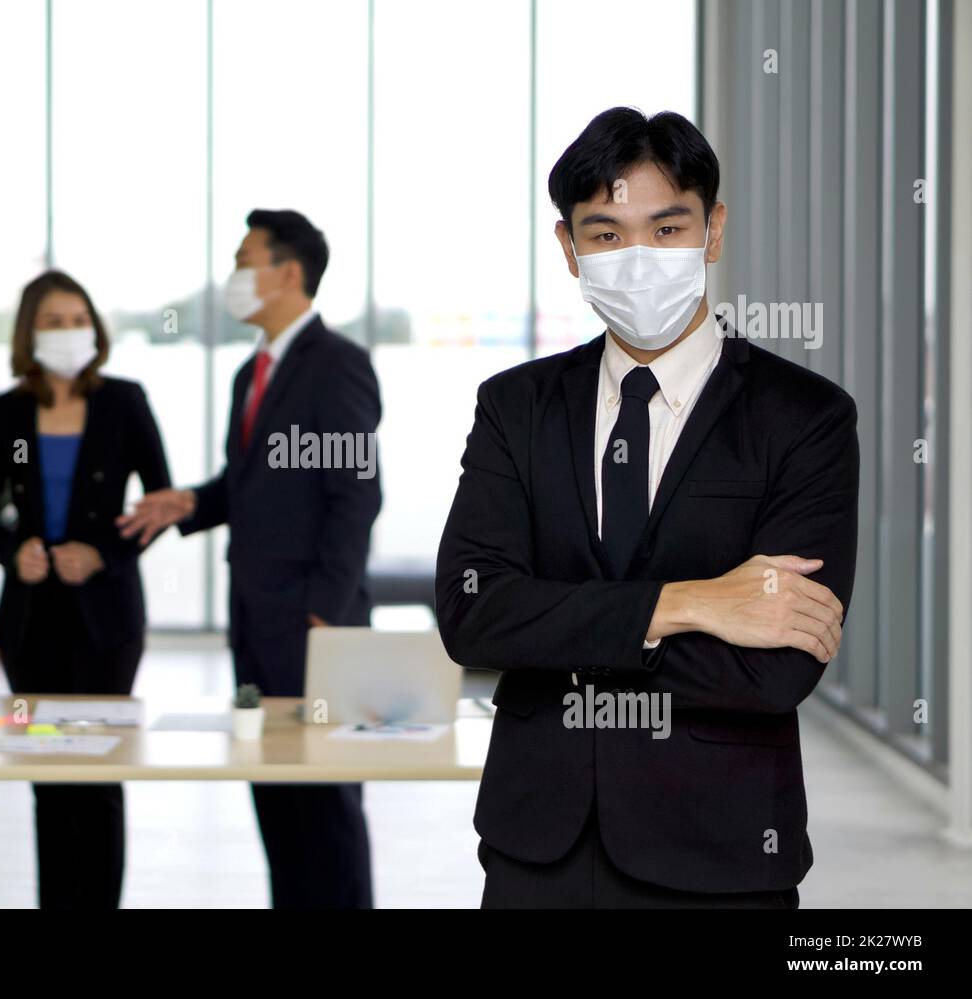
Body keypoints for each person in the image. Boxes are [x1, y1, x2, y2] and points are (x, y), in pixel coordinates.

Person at [436, 108, 859, 908]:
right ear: (568, 249)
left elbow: (776, 668)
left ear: (714, 229)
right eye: (606, 235)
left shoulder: (805, 418)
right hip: (537, 849)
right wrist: (690, 603)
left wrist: (562, 639)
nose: (638, 259)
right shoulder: (515, 407)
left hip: (719, 850)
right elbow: (472, 615)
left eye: (667, 230)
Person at [117, 209, 382, 908]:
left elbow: (356, 497)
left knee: (327, 809)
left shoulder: (339, 366)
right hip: (257, 625)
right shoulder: (250, 373)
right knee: (278, 805)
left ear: (287, 272)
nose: (234, 277)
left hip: (313, 627)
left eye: (244, 260)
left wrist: (324, 612)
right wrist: (192, 504)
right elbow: (253, 486)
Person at [0, 269, 171, 909]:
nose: (67, 331)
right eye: (51, 321)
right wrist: (12, 551)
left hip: (107, 619)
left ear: (95, 327)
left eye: (76, 317)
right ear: (29, 332)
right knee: (47, 775)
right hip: (30, 621)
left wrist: (104, 554)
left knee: (100, 775)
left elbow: (159, 503)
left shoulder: (125, 402)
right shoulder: (7, 412)